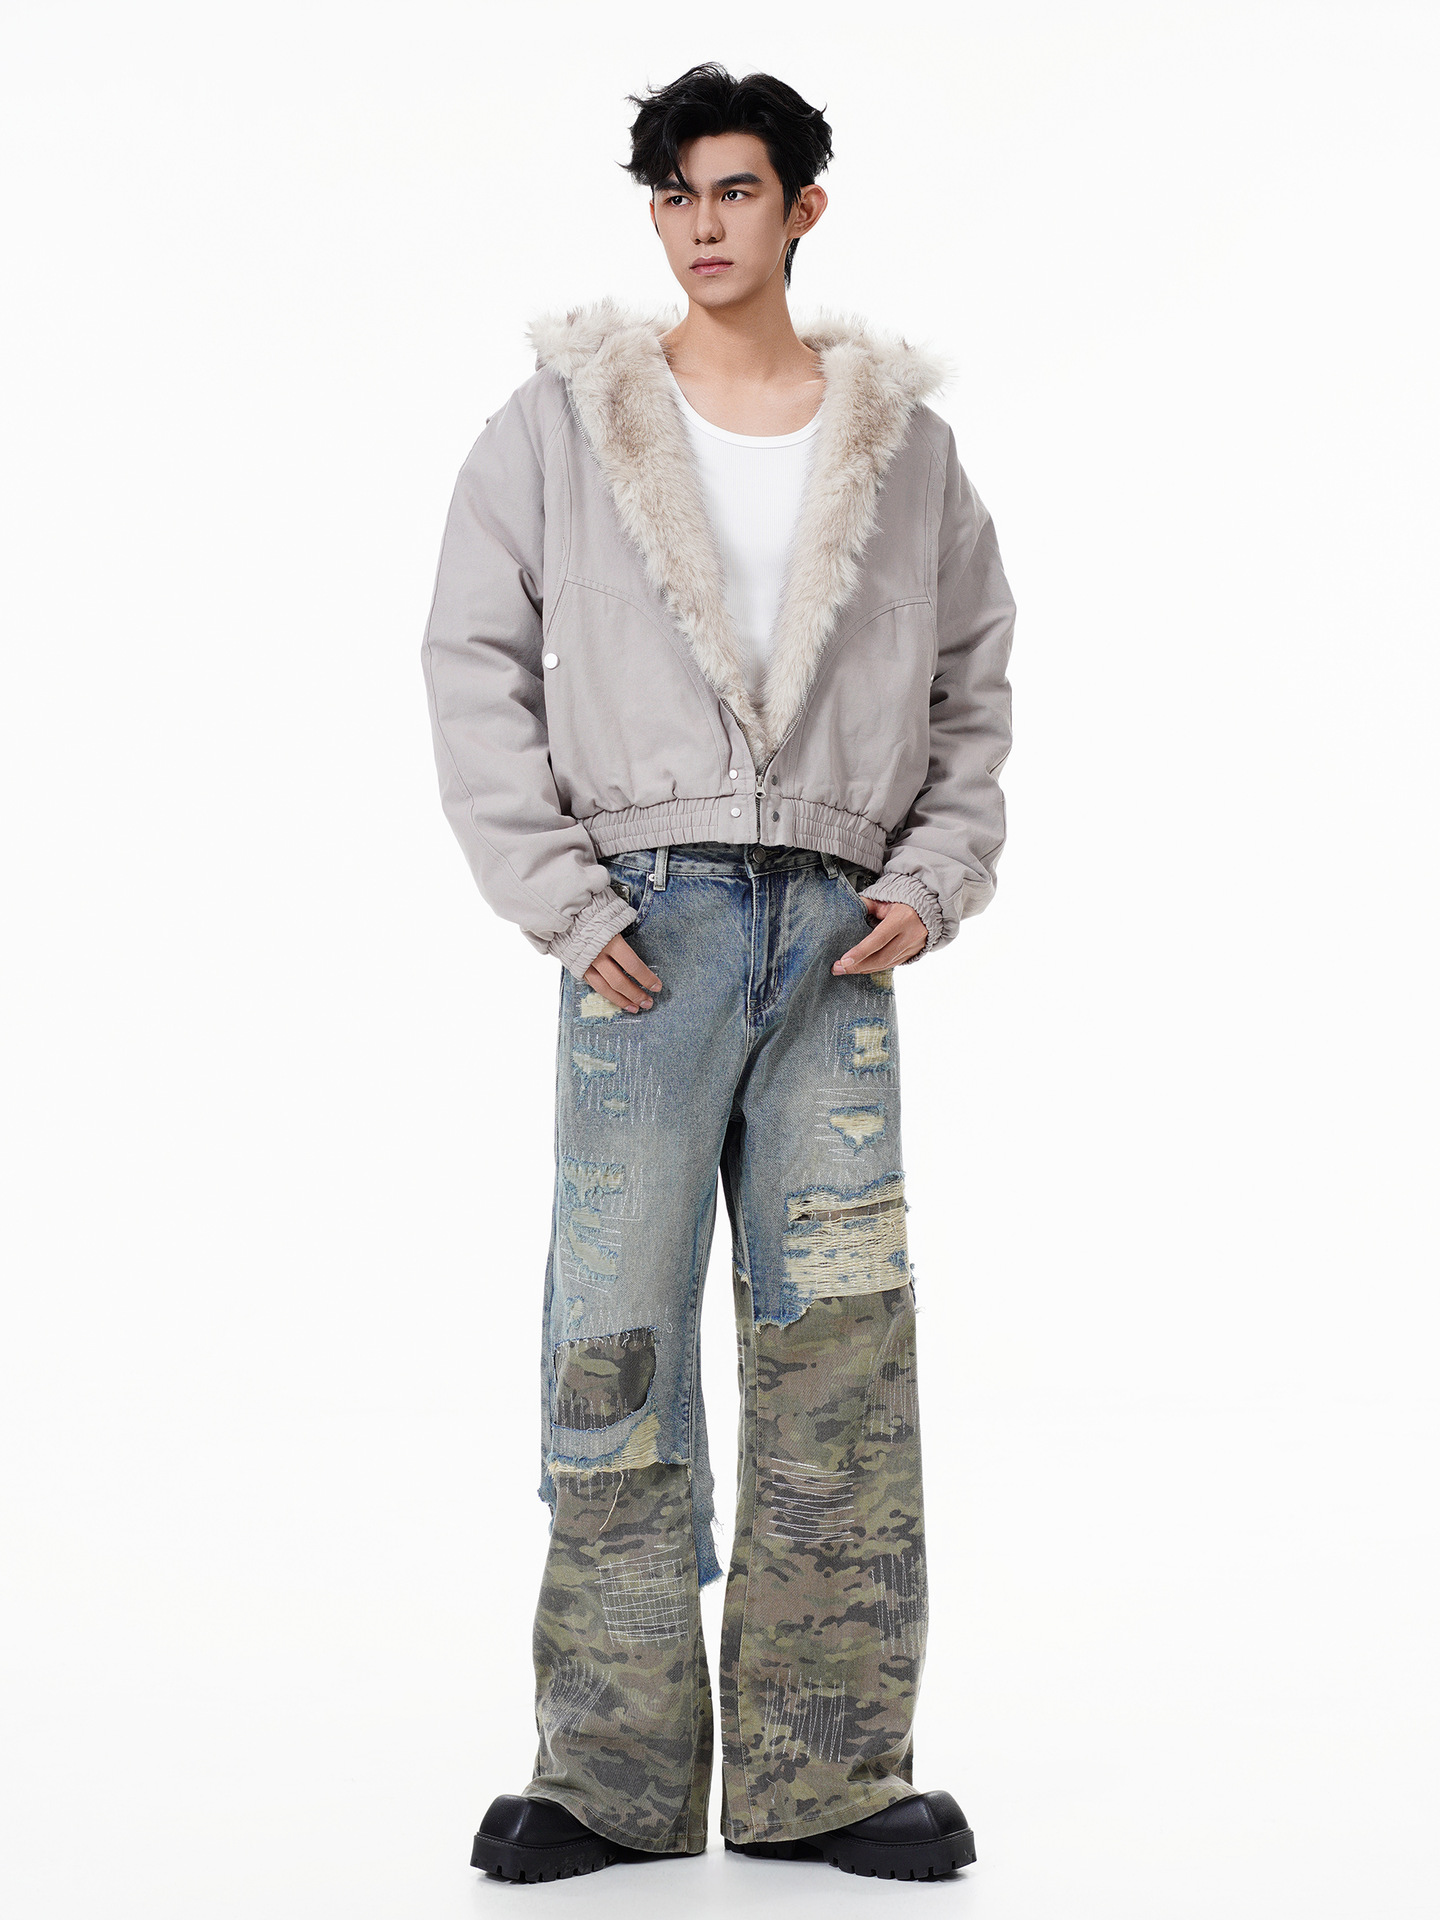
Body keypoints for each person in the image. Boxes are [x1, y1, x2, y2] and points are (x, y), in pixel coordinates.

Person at [420, 61, 1015, 1884]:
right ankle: (605, 1776)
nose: (700, 223)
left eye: (736, 189)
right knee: (612, 1336)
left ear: (801, 207)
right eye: (674, 192)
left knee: (841, 1342)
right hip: (645, 934)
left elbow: (973, 685)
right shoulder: (560, 425)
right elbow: (470, 657)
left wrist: (933, 880)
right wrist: (562, 898)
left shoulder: (906, 449)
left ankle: (826, 1774)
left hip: (839, 934)